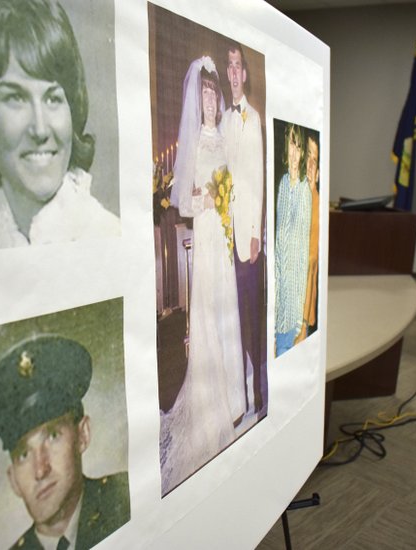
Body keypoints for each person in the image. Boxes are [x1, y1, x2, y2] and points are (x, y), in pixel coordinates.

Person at [0, 0, 119, 248]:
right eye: (15, 97)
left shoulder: (104, 237)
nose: (40, 129)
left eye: (53, 98)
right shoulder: (5, 238)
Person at [161, 56, 246, 494]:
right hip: (208, 238)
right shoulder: (195, 142)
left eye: (215, 93)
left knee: (227, 309)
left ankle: (233, 398)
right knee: (209, 311)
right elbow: (185, 202)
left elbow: (236, 184)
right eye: (206, 94)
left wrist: (226, 203)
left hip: (226, 238)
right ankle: (210, 405)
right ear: (198, 99)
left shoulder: (226, 137)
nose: (211, 100)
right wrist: (209, 202)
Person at [0, 334, 130, 549]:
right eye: (23, 454)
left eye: (52, 436)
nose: (40, 470)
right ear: (13, 479)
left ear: (83, 435)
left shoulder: (123, 500)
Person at [220, 43, 266, 414]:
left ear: (245, 74)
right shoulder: (221, 119)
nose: (234, 72)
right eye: (229, 66)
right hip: (225, 236)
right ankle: (237, 393)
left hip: (247, 239)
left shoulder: (254, 119)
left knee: (252, 317)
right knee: (232, 316)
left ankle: (258, 392)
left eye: (239, 66)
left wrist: (254, 234)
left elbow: (257, 180)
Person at [275, 123, 312, 357]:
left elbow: (301, 255)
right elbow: (280, 247)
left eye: (298, 147)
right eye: (291, 144)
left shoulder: (304, 192)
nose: (294, 153)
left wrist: (300, 316)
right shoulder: (281, 186)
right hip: (279, 301)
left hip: (294, 304)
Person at [297, 133, 320, 343]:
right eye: (308, 158)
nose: (310, 164)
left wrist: (303, 327)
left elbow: (310, 265)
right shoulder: (296, 195)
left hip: (305, 319)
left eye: (315, 159)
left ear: (319, 174)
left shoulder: (317, 206)